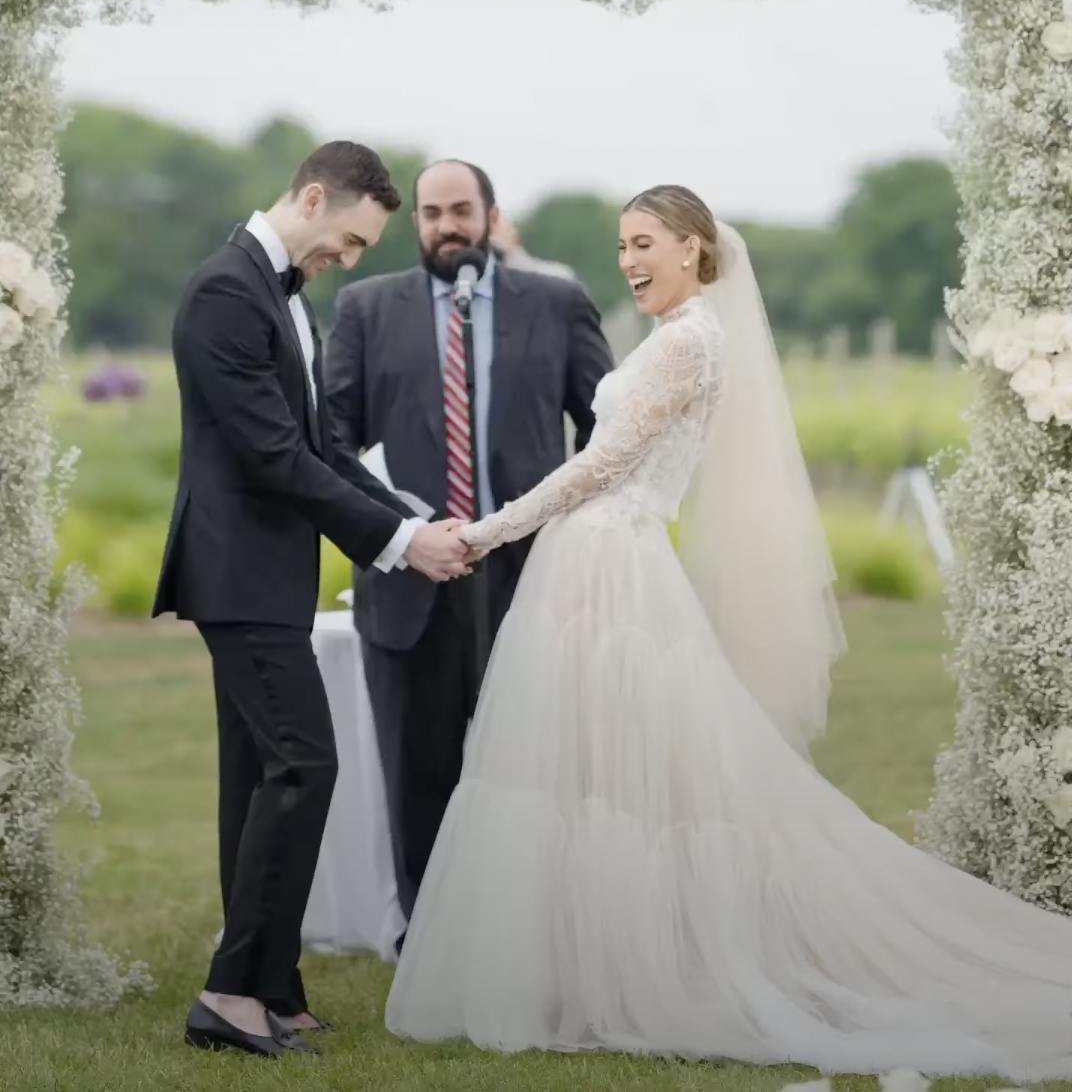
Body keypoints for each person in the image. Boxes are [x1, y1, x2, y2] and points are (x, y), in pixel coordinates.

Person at [387, 184, 1072, 1082]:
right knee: (590, 774)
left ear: (691, 247)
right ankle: (585, 965)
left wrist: (481, 531)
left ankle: (641, 968)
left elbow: (602, 465)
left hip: (611, 564)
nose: (628, 260)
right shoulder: (684, 336)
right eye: (622, 245)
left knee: (623, 780)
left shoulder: (690, 342)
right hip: (595, 563)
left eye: (642, 243)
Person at [153, 141, 471, 1059]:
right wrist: (405, 546)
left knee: (258, 781)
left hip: (272, 577)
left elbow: (323, 451)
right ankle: (227, 995)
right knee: (307, 767)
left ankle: (271, 988)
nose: (352, 258)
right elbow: (271, 458)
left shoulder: (282, 296)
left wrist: (413, 522)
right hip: (239, 577)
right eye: (352, 239)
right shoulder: (225, 293)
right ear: (312, 196)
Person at [324, 158, 613, 936]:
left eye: (460, 210)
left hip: (535, 577)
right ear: (414, 222)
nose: (446, 227)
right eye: (430, 214)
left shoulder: (556, 303)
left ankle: (535, 929)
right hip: (410, 579)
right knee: (418, 772)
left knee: (535, 766)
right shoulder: (363, 308)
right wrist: (404, 530)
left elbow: (607, 430)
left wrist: (578, 533)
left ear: (490, 214)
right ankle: (430, 937)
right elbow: (330, 441)